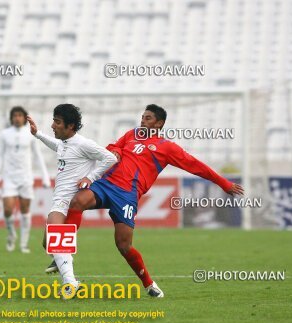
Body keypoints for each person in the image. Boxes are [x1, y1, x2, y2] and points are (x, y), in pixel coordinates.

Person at [51, 104, 245, 297]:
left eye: (148, 118)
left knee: (123, 245)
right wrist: (115, 150)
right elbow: (112, 147)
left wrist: (223, 183)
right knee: (77, 202)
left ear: (159, 123)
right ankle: (65, 255)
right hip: (107, 184)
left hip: (127, 195)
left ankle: (149, 284)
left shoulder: (167, 148)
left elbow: (196, 166)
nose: (143, 121)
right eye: (142, 117)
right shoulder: (131, 134)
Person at [27, 104, 117, 296]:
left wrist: (90, 178)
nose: (53, 125)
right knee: (48, 243)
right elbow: (57, 146)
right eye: (53, 121)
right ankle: (64, 264)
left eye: (57, 122)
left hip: (68, 201)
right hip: (59, 198)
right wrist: (37, 134)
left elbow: (110, 158)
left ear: (70, 126)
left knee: (55, 237)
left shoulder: (84, 144)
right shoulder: (64, 143)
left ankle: (70, 283)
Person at [0, 106, 51, 253]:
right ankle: (12, 235)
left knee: (25, 210)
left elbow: (38, 156)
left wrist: (45, 177)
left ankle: (24, 244)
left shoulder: (30, 134)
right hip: (9, 178)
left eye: (20, 115)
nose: (17, 118)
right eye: (15, 115)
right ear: (11, 118)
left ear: (24, 118)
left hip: (26, 178)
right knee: (7, 209)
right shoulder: (5, 134)